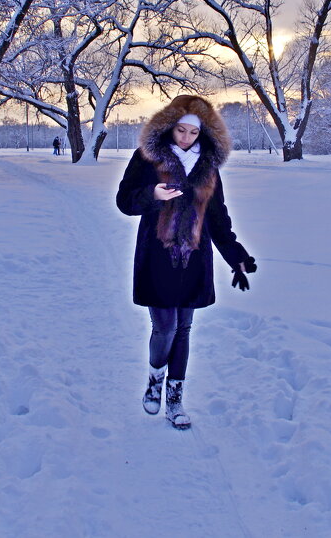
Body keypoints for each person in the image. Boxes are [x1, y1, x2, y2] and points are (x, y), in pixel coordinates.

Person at [116, 95, 257, 430]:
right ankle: (155, 379)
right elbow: (124, 201)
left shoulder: (207, 168)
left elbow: (218, 218)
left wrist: (236, 257)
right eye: (180, 130)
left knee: (184, 329)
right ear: (169, 127)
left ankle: (175, 399)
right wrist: (153, 195)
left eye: (193, 133)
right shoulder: (147, 158)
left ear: (203, 134)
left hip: (194, 259)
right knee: (165, 327)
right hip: (157, 257)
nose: (186, 138)